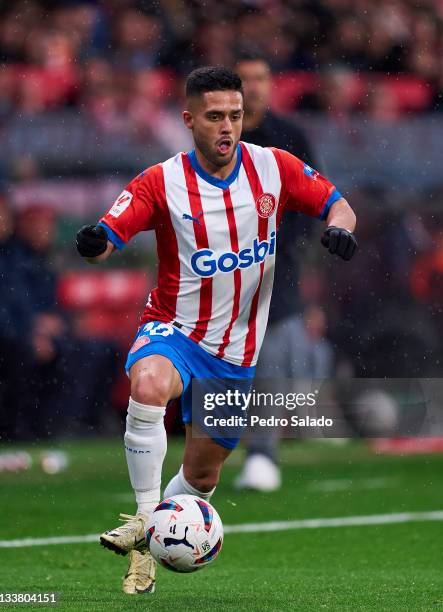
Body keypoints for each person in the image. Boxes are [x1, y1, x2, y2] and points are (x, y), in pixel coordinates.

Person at [76, 66, 357, 595]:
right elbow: (110, 232)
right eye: (214, 117)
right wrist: (95, 244)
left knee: (202, 479)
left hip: (236, 355)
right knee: (149, 385)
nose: (228, 127)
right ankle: (144, 532)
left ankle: (152, 523)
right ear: (188, 120)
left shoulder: (274, 167)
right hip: (174, 330)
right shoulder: (161, 180)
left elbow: (337, 203)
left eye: (235, 115)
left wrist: (340, 227)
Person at [233, 54, 322, 491]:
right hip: (218, 270)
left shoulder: (290, 138)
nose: (253, 86)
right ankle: (206, 458)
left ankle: (263, 454)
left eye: (260, 78)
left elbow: (312, 197)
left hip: (274, 269)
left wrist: (278, 245)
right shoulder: (214, 136)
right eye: (245, 79)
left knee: (268, 364)